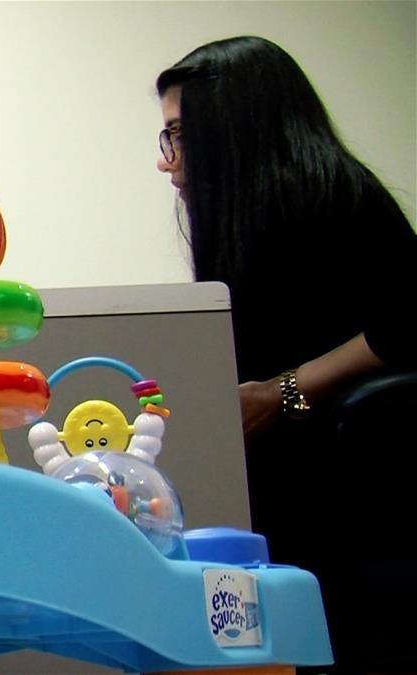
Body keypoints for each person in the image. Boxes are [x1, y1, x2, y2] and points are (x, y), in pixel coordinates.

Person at [155, 36, 416, 672]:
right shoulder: (267, 211)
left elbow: (407, 324)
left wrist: (285, 391)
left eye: (178, 135)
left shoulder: (334, 202)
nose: (166, 162)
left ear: (232, 127)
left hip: (347, 513)